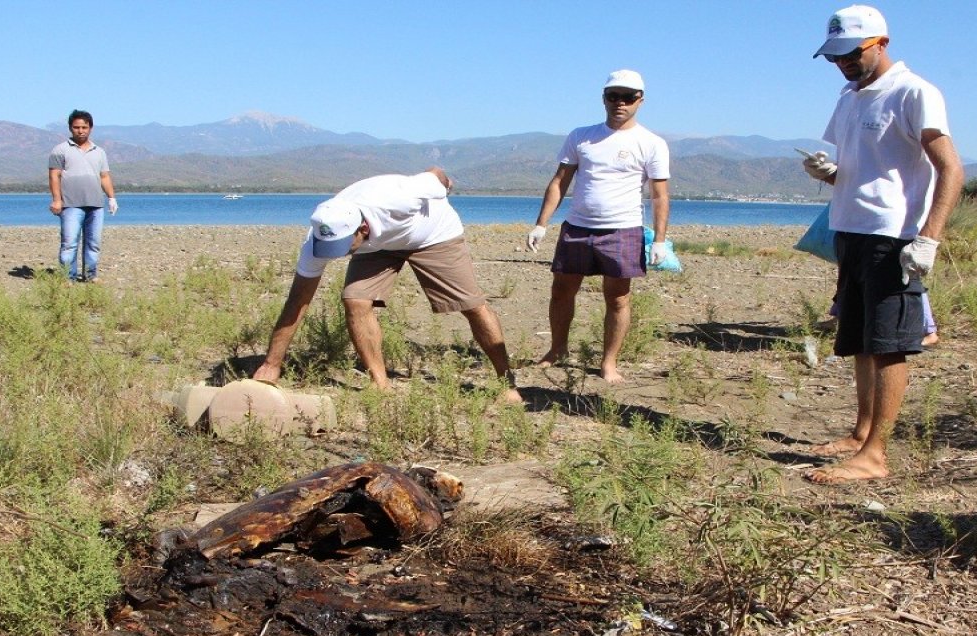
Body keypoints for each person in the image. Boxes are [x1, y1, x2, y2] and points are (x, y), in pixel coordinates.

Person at [802, 5, 963, 483]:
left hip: (893, 238)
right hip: (850, 232)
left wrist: (928, 239)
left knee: (889, 344)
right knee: (860, 340)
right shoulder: (850, 98)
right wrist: (831, 174)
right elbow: (866, 168)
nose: (844, 63)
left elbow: (951, 169)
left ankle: (875, 455)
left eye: (852, 53)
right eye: (834, 56)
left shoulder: (914, 92)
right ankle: (860, 434)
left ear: (881, 43)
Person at [252, 168, 523, 404]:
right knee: (355, 300)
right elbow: (298, 300)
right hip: (378, 247)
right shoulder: (321, 234)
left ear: (362, 230)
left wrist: (445, 184)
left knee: (471, 305)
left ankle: (506, 382)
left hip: (432, 234)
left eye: (343, 246)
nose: (337, 253)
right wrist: (271, 364)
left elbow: (435, 173)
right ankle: (379, 384)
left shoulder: (400, 196)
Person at [526, 69, 670, 384]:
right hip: (577, 227)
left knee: (618, 297)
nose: (620, 102)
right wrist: (541, 224)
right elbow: (560, 181)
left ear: (640, 100)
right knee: (561, 290)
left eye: (628, 96)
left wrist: (659, 240)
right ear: (603, 98)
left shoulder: (651, 143)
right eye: (613, 96)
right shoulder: (581, 136)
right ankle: (557, 350)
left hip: (623, 230)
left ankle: (609, 363)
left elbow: (659, 196)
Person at [48, 109, 117, 282]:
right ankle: (67, 278)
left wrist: (111, 197)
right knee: (69, 243)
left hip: (95, 205)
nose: (80, 130)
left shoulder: (99, 152)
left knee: (93, 243)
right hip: (70, 205)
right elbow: (54, 176)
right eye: (76, 127)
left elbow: (104, 176)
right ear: (70, 128)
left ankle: (90, 275)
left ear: (90, 128)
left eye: (84, 127)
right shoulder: (60, 150)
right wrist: (57, 200)